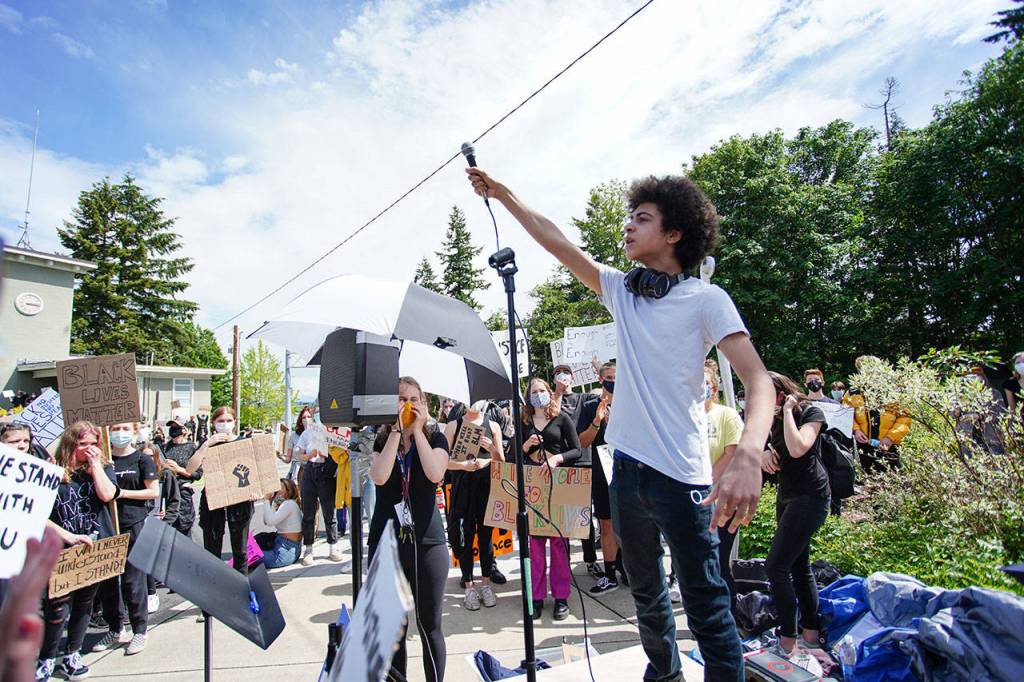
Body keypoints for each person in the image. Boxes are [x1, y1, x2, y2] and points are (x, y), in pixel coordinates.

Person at [467, 168, 773, 681]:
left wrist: (747, 454)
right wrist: (504, 193)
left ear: (674, 234)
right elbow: (556, 241)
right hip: (627, 472)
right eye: (630, 217)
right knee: (647, 597)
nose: (628, 227)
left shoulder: (705, 300)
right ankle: (665, 675)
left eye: (642, 219)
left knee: (706, 603)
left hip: (684, 479)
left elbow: (759, 382)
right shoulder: (623, 292)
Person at [369, 377, 450, 682]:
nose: (409, 404)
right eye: (402, 398)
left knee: (429, 625)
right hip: (386, 540)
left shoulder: (436, 437)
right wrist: (395, 432)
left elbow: (435, 472)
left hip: (427, 541)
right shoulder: (380, 439)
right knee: (394, 630)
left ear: (425, 405)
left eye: (415, 399)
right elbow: (379, 476)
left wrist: (416, 432)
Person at [37, 422, 118, 681]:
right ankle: (47, 658)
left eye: (94, 444)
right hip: (60, 547)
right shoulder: (53, 472)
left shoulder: (103, 468)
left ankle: (72, 654)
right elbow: (38, 514)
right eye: (84, 444)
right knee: (56, 607)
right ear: (71, 444)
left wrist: (95, 467)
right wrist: (69, 536)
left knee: (84, 603)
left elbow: (107, 495)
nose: (90, 449)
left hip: (93, 546)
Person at [761, 372, 829, 659]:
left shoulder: (811, 412)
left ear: (781, 393)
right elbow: (753, 445)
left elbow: (798, 447)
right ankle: (810, 634)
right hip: (786, 495)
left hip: (811, 496)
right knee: (799, 565)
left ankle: (788, 639)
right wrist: (763, 452)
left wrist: (788, 411)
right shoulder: (769, 417)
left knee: (775, 566)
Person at [95, 422, 158, 656]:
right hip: (107, 526)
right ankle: (115, 627)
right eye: (114, 428)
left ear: (133, 432)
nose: (119, 433)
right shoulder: (103, 462)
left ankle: (139, 629)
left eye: (124, 428)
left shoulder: (142, 460)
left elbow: (153, 491)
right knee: (109, 582)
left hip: (133, 523)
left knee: (133, 581)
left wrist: (121, 493)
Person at [522, 378, 582, 621]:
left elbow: (577, 449)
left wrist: (558, 459)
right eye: (534, 392)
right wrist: (526, 445)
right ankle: (535, 598)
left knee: (559, 545)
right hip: (533, 488)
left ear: (549, 392)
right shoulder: (524, 421)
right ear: (528, 397)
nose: (538, 395)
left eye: (542, 390)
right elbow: (510, 455)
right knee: (535, 547)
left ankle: (560, 597)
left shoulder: (561, 419)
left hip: (558, 486)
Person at [187, 407, 259, 586]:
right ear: (213, 423)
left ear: (235, 423)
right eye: (221, 421)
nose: (225, 425)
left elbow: (255, 473)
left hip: (240, 501)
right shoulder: (207, 444)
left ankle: (241, 593)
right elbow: (190, 469)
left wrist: (256, 491)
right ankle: (211, 603)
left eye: (228, 421)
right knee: (212, 551)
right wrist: (206, 444)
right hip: (213, 500)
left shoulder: (244, 442)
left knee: (240, 551)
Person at [444, 400, 504, 611]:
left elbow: (501, 461)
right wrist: (464, 466)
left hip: (486, 489)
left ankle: (486, 584)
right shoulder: (453, 426)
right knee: (464, 537)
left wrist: (489, 454)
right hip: (462, 490)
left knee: (486, 536)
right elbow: (443, 461)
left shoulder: (493, 425)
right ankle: (469, 586)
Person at [580, 363, 627, 595]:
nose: (613, 381)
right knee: (606, 524)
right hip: (601, 474)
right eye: (609, 377)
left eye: (617, 377)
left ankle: (628, 567)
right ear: (601, 380)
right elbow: (582, 442)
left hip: (629, 472)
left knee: (631, 524)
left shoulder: (631, 403)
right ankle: (610, 574)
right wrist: (597, 420)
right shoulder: (590, 407)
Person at [551, 364, 601, 578]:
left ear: (573, 377)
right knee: (565, 518)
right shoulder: (552, 401)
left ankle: (590, 560)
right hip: (563, 464)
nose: (564, 377)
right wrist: (558, 394)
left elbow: (603, 396)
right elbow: (552, 416)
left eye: (567, 374)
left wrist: (600, 373)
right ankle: (565, 563)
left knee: (585, 517)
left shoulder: (583, 399)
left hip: (586, 462)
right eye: (559, 375)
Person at [844, 356, 912, 471]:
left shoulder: (894, 390)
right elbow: (845, 414)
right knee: (869, 479)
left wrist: (890, 438)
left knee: (893, 478)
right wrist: (856, 430)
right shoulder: (852, 393)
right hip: (864, 444)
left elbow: (905, 418)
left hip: (890, 445)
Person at [295, 409, 343, 565]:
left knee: (329, 512)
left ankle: (333, 546)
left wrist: (327, 454)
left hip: (326, 473)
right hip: (309, 471)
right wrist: (309, 455)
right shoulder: (307, 433)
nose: (315, 417)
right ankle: (308, 549)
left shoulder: (333, 432)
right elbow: (300, 454)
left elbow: (340, 452)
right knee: (308, 512)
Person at [143, 442, 180, 613]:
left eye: (151, 456)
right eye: (144, 456)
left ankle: (151, 594)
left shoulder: (165, 475)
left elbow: (174, 501)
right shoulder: (138, 474)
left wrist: (167, 522)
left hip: (159, 523)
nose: (147, 459)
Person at [159, 421, 201, 538]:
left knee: (184, 530)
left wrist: (178, 469)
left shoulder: (191, 447)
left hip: (183, 495)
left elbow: (198, 474)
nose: (173, 430)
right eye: (171, 428)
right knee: (166, 531)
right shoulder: (165, 447)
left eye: (176, 427)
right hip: (167, 493)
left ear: (184, 430)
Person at [258, 479, 303, 569]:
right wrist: (272, 503)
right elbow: (266, 521)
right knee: (249, 551)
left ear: (289, 490)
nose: (277, 490)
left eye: (281, 487)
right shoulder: (284, 503)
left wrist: (266, 500)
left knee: (247, 557)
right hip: (285, 547)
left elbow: (269, 521)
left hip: (284, 551)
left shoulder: (288, 504)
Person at [284, 407, 313, 483]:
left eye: (309, 417)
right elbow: (288, 459)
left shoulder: (318, 434)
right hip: (299, 471)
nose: (306, 419)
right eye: (304, 417)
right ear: (300, 420)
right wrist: (280, 456)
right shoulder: (294, 436)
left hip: (314, 469)